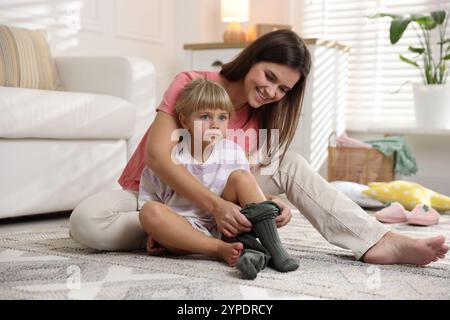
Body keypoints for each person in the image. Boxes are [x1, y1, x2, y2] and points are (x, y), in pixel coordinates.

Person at [70, 29, 448, 266]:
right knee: (86, 224)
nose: (271, 92)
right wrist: (216, 206)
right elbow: (159, 157)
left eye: (283, 89)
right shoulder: (191, 82)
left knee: (291, 162)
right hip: (150, 193)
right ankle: (185, 234)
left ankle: (376, 240)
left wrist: (270, 206)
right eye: (269, 77)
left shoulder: (262, 114)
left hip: (218, 195)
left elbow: (243, 175)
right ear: (253, 59)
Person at [138, 78, 298, 276]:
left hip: (229, 224)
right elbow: (151, 202)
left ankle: (273, 250)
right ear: (185, 120)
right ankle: (221, 249)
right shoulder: (171, 159)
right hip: (187, 232)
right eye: (205, 117)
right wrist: (157, 232)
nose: (215, 124)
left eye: (222, 117)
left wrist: (271, 202)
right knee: (149, 212)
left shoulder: (234, 152)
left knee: (242, 177)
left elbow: (246, 193)